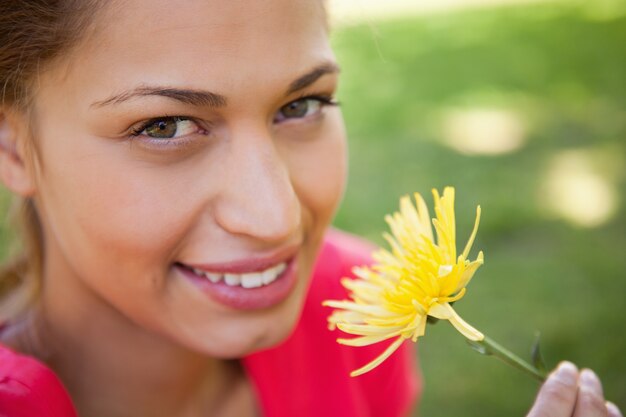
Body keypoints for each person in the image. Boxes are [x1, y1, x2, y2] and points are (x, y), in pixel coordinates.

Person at [0, 1, 621, 416]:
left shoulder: (354, 313)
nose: (278, 220)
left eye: (301, 106)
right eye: (164, 126)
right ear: (14, 146)